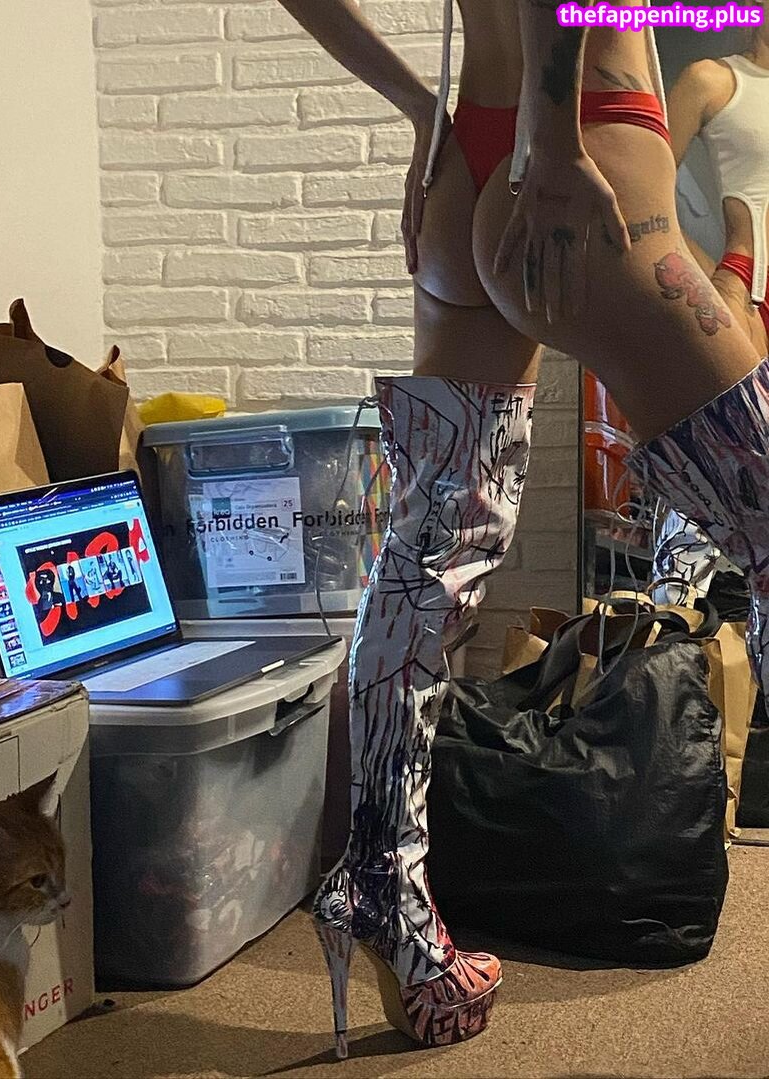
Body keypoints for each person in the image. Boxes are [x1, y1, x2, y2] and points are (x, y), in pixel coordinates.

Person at [276, 0, 767, 1060]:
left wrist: (422, 111)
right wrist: (549, 138)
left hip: (469, 162)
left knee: (424, 567)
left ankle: (384, 890)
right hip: (587, 147)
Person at [647, 10, 769, 601]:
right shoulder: (713, 79)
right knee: (723, 459)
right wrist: (704, 277)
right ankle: (672, 625)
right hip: (749, 289)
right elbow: (645, 191)